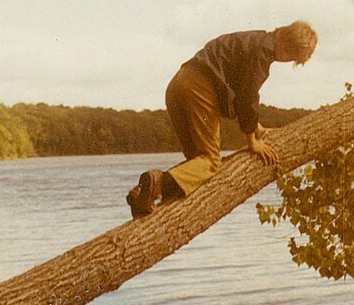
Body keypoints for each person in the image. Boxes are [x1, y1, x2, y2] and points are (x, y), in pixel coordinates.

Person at [125, 21, 318, 218]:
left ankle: (142, 194)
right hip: (199, 87)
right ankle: (156, 184)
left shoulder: (253, 39)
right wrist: (252, 142)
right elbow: (247, 97)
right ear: (282, 40)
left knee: (195, 166)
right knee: (210, 162)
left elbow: (237, 90)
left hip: (179, 83)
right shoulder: (262, 52)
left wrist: (256, 126)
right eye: (288, 53)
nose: (283, 57)